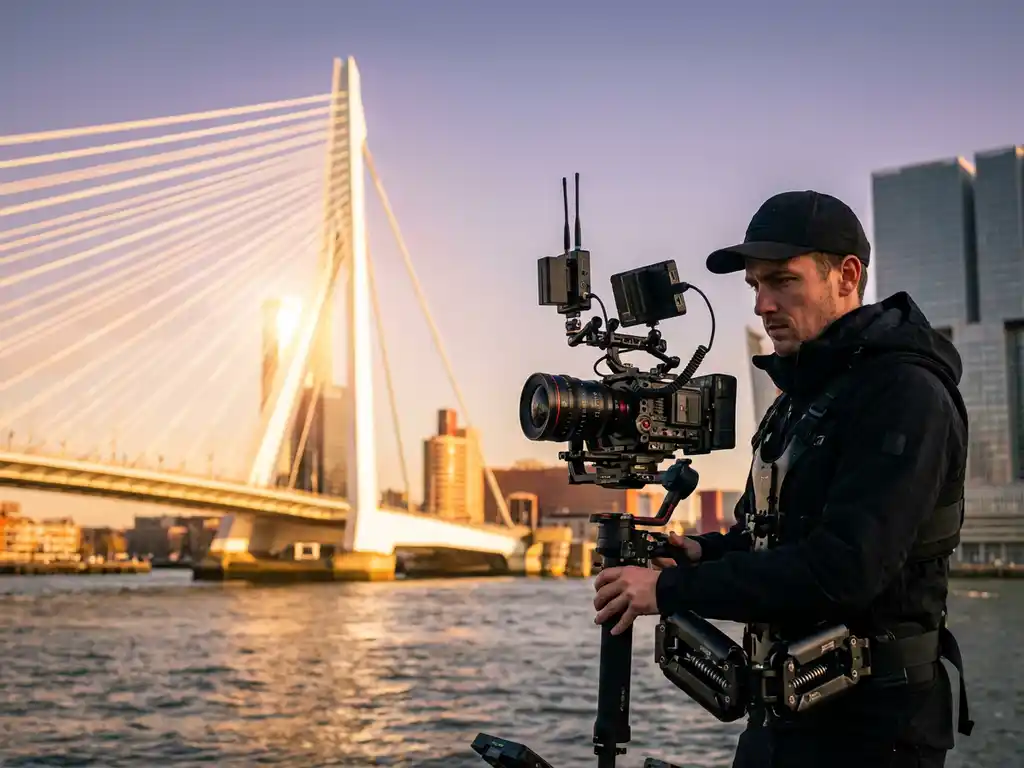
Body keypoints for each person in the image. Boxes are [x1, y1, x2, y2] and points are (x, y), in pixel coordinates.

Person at [592, 190, 973, 767]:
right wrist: (696, 553)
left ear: (846, 276)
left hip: (876, 732)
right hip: (782, 722)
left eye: (782, 282)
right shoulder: (799, 398)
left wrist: (667, 591)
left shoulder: (904, 394)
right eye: (754, 287)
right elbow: (766, 534)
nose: (763, 305)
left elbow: (844, 569)